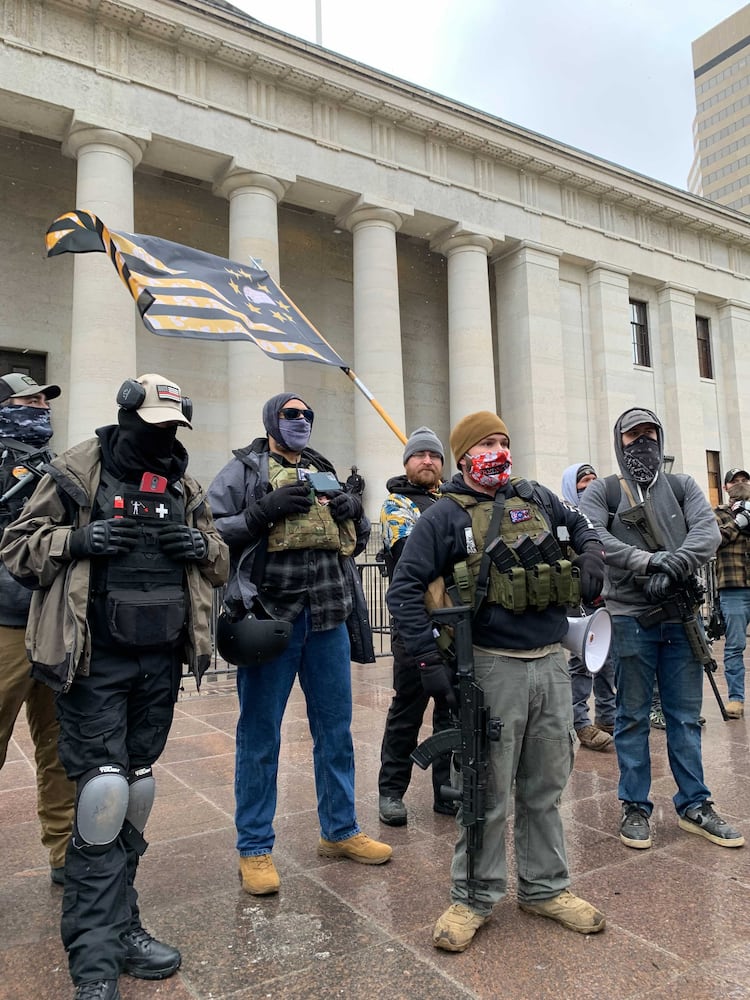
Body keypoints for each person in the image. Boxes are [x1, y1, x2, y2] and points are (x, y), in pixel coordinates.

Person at [0, 373, 229, 1000]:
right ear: (127, 416)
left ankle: (124, 926)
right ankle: (94, 961)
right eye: (153, 425)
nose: (163, 438)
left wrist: (200, 545)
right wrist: (80, 540)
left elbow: (219, 558)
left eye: (172, 426)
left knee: (134, 790)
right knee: (100, 797)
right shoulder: (76, 474)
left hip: (158, 660)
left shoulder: (183, 483)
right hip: (94, 658)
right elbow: (16, 547)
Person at [386, 410, 607, 952]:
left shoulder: (537, 498)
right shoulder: (442, 517)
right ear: (465, 454)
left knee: (546, 785)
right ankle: (473, 896)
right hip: (491, 666)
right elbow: (405, 588)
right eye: (488, 442)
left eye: (505, 440)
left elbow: (583, 529)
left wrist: (595, 555)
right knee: (485, 790)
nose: (500, 450)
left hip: (553, 661)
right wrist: (425, 662)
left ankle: (545, 888)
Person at [207, 392, 391, 898]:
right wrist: (258, 514)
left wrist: (357, 509)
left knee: (336, 731)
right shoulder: (244, 470)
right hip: (270, 620)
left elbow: (354, 531)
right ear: (271, 420)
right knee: (260, 735)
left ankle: (340, 830)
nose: (301, 421)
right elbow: (209, 528)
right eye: (291, 415)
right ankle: (255, 847)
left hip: (329, 619)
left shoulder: (322, 467)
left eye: (308, 414)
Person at [579, 407, 743, 852]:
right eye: (634, 437)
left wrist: (674, 567)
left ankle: (695, 804)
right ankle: (635, 806)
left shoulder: (684, 485)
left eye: (650, 434)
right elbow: (594, 538)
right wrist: (648, 562)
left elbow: (707, 534)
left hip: (680, 617)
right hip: (630, 618)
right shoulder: (604, 491)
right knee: (631, 717)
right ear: (620, 442)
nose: (643, 443)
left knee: (685, 718)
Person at [0, 373, 75, 885]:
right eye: (27, 401)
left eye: (44, 400)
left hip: (51, 618)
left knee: (61, 743)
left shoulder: (55, 466)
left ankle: (66, 851)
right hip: (3, 622)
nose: (39, 408)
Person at [378, 426, 455, 825]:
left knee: (451, 710)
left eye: (435, 456)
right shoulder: (395, 505)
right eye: (420, 455)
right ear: (407, 462)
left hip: (455, 622)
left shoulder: (453, 500)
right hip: (415, 621)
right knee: (407, 710)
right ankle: (391, 792)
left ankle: (446, 790)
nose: (428, 461)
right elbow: (412, 553)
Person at [560, 462, 616, 752]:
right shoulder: (565, 520)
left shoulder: (605, 516)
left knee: (607, 662)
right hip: (578, 604)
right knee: (582, 664)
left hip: (605, 602)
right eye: (583, 481)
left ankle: (607, 718)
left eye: (594, 480)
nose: (590, 485)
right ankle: (579, 722)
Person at [714, 467, 750, 720]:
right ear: (726, 487)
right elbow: (714, 540)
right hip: (733, 587)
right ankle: (736, 699)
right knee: (735, 645)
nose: (739, 484)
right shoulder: (718, 513)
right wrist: (738, 522)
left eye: (744, 480)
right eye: (734, 481)